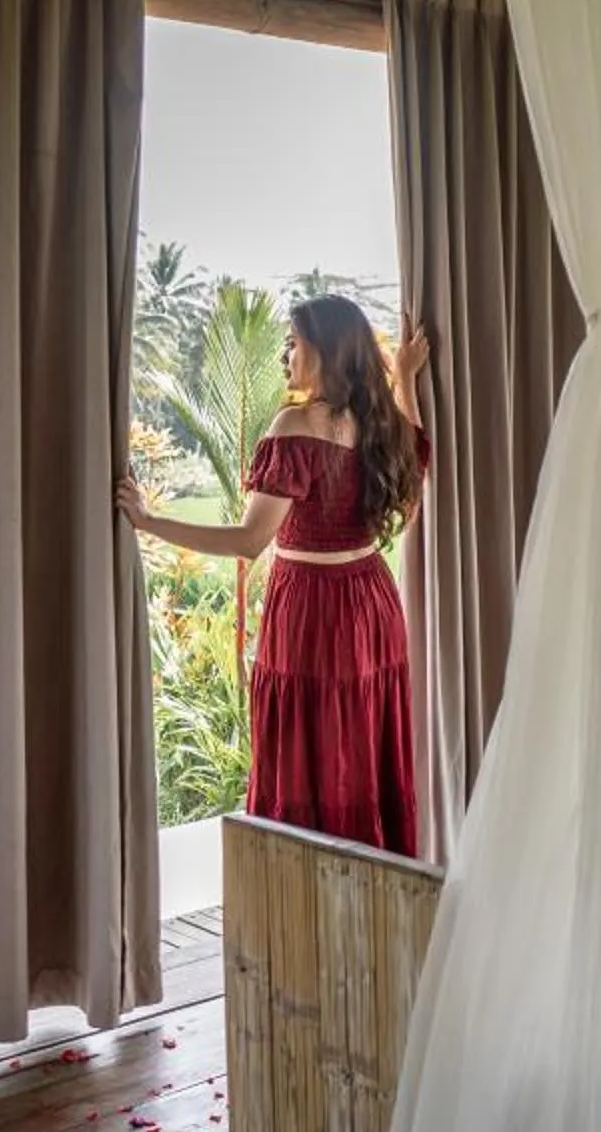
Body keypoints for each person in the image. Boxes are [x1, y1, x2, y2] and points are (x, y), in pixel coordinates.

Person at [118, 297, 430, 856]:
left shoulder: (294, 425)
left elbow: (247, 541)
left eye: (295, 341)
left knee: (310, 747)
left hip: (313, 607)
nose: (287, 352)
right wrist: (405, 379)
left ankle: (304, 894)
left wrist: (147, 522)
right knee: (359, 743)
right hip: (371, 599)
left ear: (325, 350)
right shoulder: (376, 422)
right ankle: (371, 893)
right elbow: (416, 463)